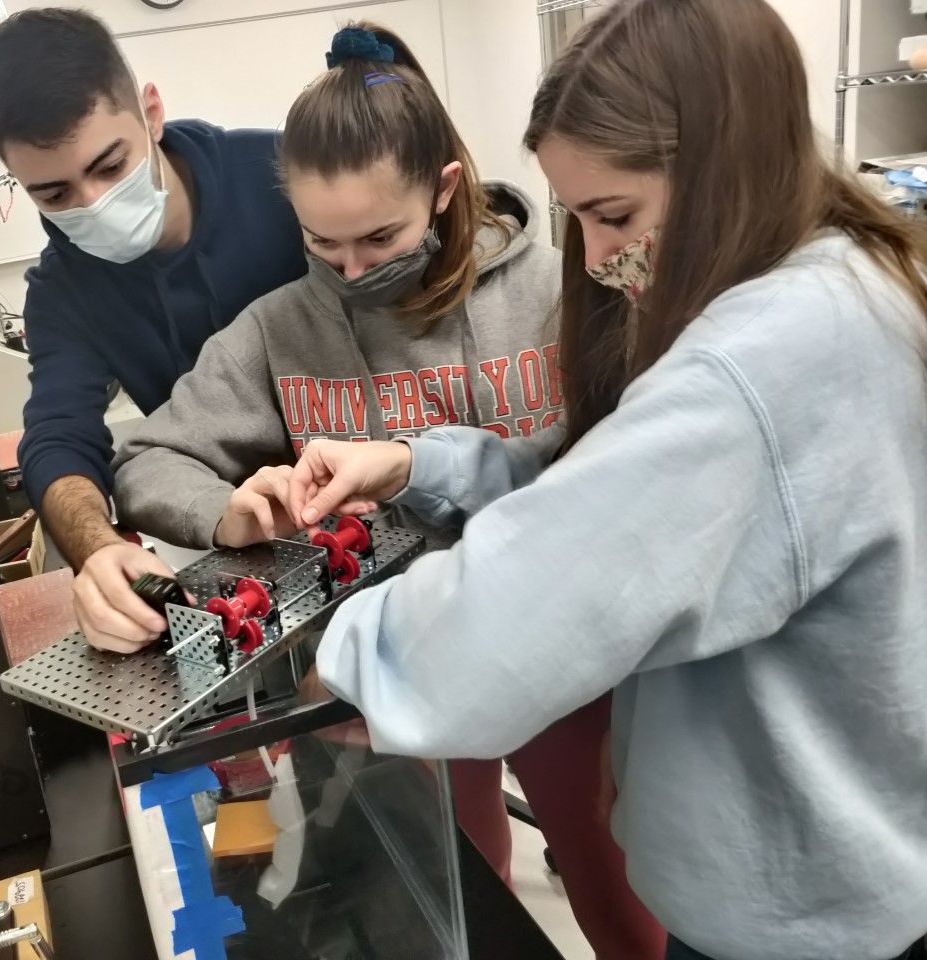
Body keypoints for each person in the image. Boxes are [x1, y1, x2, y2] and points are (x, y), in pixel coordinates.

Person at [285, 1, 927, 959]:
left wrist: (337, 660)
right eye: (576, 217)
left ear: (721, 167)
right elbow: (609, 480)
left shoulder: (759, 366)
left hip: (801, 928)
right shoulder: (847, 282)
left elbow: (530, 598)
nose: (591, 255)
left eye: (613, 214)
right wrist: (419, 462)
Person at [113, 23, 666, 960]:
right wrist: (231, 508)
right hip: (401, 661)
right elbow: (147, 457)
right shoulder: (281, 328)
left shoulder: (562, 282)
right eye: (322, 244)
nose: (354, 271)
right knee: (449, 885)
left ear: (445, 187)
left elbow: (621, 456)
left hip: (561, 658)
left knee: (619, 895)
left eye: (379, 237)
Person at [0, 9, 306, 650]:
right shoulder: (64, 289)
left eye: (110, 165)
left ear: (150, 112)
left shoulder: (285, 174)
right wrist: (97, 550)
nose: (94, 204)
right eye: (54, 193)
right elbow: (59, 436)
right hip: (230, 532)